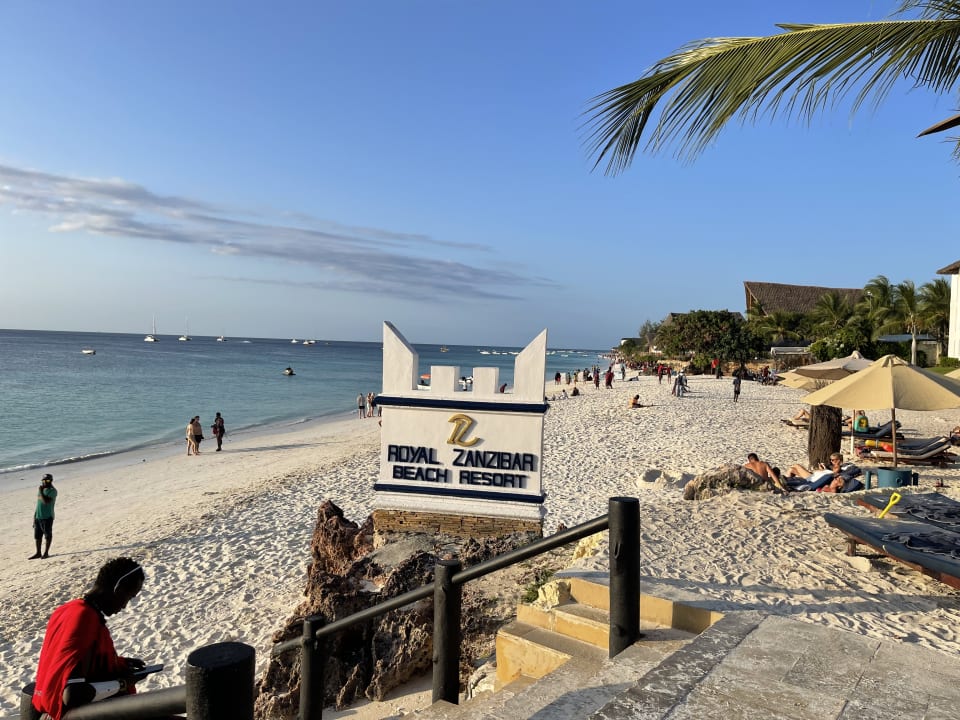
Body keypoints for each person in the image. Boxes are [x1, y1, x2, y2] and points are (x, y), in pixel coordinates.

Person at [30, 557, 148, 720]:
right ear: (118, 589)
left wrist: (118, 663)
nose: (125, 606)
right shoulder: (85, 617)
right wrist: (123, 683)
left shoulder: (65, 610)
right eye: (129, 597)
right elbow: (72, 694)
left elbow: (67, 662)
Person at [31, 473, 58, 560]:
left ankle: (46, 553)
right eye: (43, 480)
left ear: (51, 481)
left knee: (47, 535)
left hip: (47, 517)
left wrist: (41, 491)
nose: (45, 482)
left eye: (47, 480)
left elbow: (45, 501)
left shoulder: (53, 491)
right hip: (39, 516)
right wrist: (34, 517)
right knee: (37, 536)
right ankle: (38, 552)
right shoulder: (41, 490)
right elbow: (38, 504)